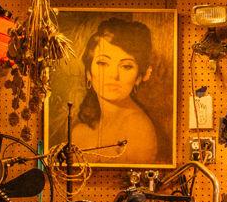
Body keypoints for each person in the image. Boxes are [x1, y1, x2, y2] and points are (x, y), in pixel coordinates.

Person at [70, 15, 166, 163]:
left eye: (126, 66)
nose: (114, 75)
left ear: (139, 77)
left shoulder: (138, 129)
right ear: (89, 72)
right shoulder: (80, 131)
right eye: (103, 63)